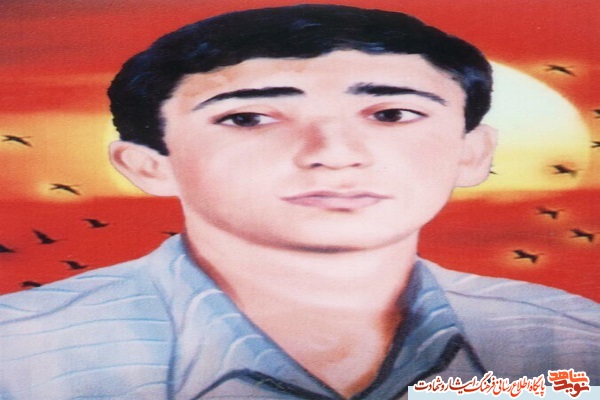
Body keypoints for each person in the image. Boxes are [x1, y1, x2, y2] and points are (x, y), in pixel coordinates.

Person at [0, 4, 598, 399]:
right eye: (249, 118)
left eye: (392, 114)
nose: (333, 154)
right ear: (148, 165)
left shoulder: (571, 342)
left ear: (473, 153)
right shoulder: (19, 354)